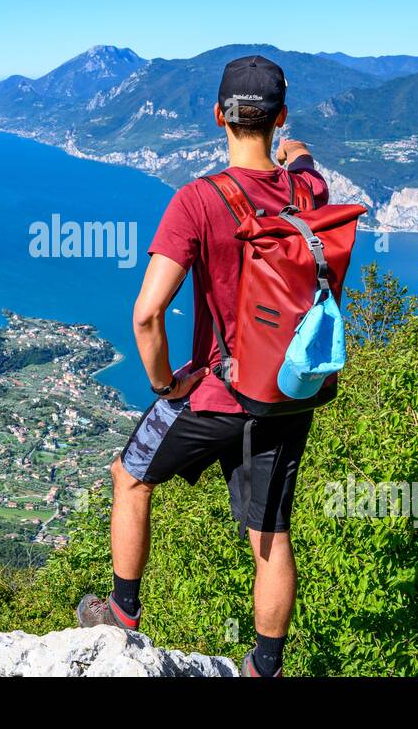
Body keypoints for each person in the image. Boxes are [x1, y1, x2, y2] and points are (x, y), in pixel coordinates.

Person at [76, 55, 329, 678]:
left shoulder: (199, 201)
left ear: (218, 116)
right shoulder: (309, 188)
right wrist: (293, 150)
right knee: (268, 533)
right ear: (280, 117)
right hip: (288, 391)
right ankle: (263, 668)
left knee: (130, 476)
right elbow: (300, 159)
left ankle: (123, 612)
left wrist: (166, 384)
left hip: (217, 392)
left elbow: (146, 314)